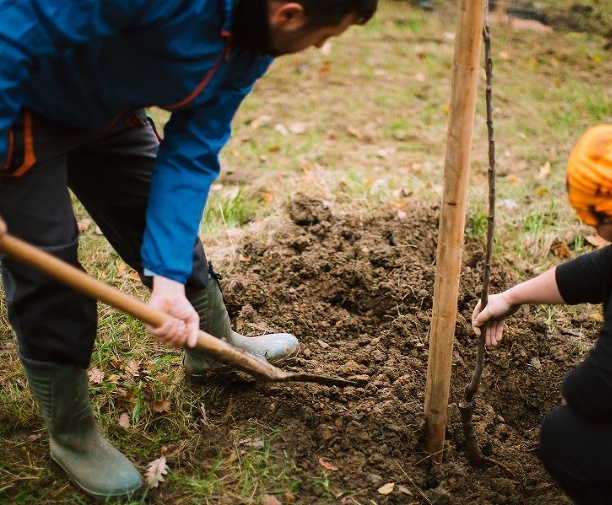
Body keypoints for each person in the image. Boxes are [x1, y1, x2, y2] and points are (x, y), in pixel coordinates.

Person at [0, 0, 378, 499]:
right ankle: (72, 435)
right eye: (328, 33)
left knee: (167, 234)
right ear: (289, 13)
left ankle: (213, 353)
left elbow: (193, 151)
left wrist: (169, 280)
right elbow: (13, 33)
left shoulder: (252, 45)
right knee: (47, 266)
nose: (323, 46)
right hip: (24, 106)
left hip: (110, 112)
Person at [472, 124, 612, 504]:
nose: (590, 227)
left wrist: (574, 391)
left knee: (568, 437)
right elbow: (599, 270)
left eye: (592, 215)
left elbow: (601, 394)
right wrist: (512, 296)